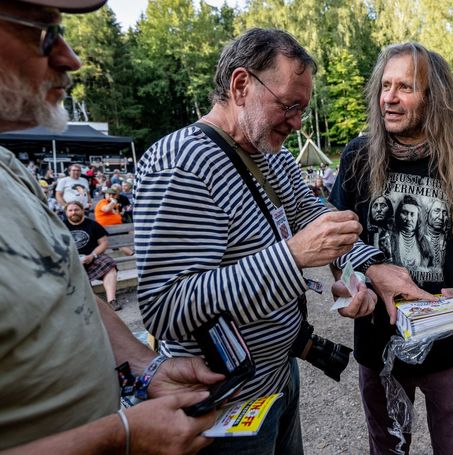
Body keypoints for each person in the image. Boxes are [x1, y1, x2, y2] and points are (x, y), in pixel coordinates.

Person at [134, 28, 391, 454]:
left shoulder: (269, 152)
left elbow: (312, 214)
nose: (295, 122)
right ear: (241, 85)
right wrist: (292, 257)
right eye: (289, 105)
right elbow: (166, 309)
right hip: (226, 404)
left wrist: (366, 266)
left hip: (277, 375)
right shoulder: (180, 163)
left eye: (302, 110)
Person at [0, 0, 224, 452]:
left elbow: (68, 286)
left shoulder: (9, 167)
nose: (70, 57)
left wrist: (146, 366)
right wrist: (121, 434)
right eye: (45, 33)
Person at [330, 42, 453, 454]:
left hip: (448, 345)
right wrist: (351, 284)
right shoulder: (357, 155)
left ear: (433, 96)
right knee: (387, 449)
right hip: (378, 345)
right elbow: (337, 244)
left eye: (405, 87)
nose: (389, 97)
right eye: (385, 86)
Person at [64, 200, 121, 310]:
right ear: (66, 212)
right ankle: (89, 302)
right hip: (71, 260)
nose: (73, 212)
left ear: (82, 210)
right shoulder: (61, 226)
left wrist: (92, 256)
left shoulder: (92, 224)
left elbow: (104, 243)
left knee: (109, 264)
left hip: (92, 257)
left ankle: (112, 300)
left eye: (76, 209)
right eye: (70, 210)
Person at [390, 194, 433, 268]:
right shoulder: (389, 238)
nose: (408, 219)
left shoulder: (426, 242)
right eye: (405, 213)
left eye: (412, 214)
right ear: (398, 215)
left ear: (418, 218)